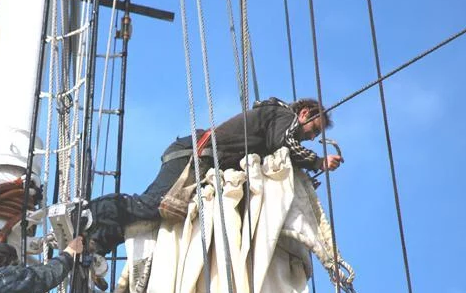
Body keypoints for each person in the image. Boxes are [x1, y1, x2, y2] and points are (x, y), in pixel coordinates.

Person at [87, 97, 342, 255]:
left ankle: (97, 244)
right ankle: (89, 212)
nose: (310, 138)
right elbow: (284, 143)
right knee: (155, 205)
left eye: (313, 137)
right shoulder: (283, 117)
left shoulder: (273, 134)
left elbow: (270, 165)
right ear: (305, 113)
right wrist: (318, 160)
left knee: (152, 219)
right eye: (312, 131)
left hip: (198, 159)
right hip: (193, 156)